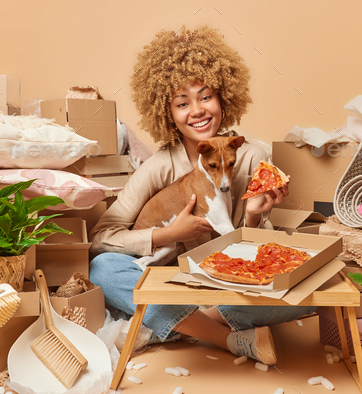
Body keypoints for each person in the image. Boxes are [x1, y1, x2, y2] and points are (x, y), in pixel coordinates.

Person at [89, 26, 315, 365]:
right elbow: (100, 237)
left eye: (206, 96)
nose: (196, 110)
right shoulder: (159, 166)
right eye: (182, 103)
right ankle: (225, 337)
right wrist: (168, 235)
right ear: (168, 113)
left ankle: (175, 323)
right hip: (175, 282)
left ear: (224, 100)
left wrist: (253, 216)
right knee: (102, 269)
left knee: (314, 287)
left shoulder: (251, 156)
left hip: (233, 285)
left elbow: (268, 259)